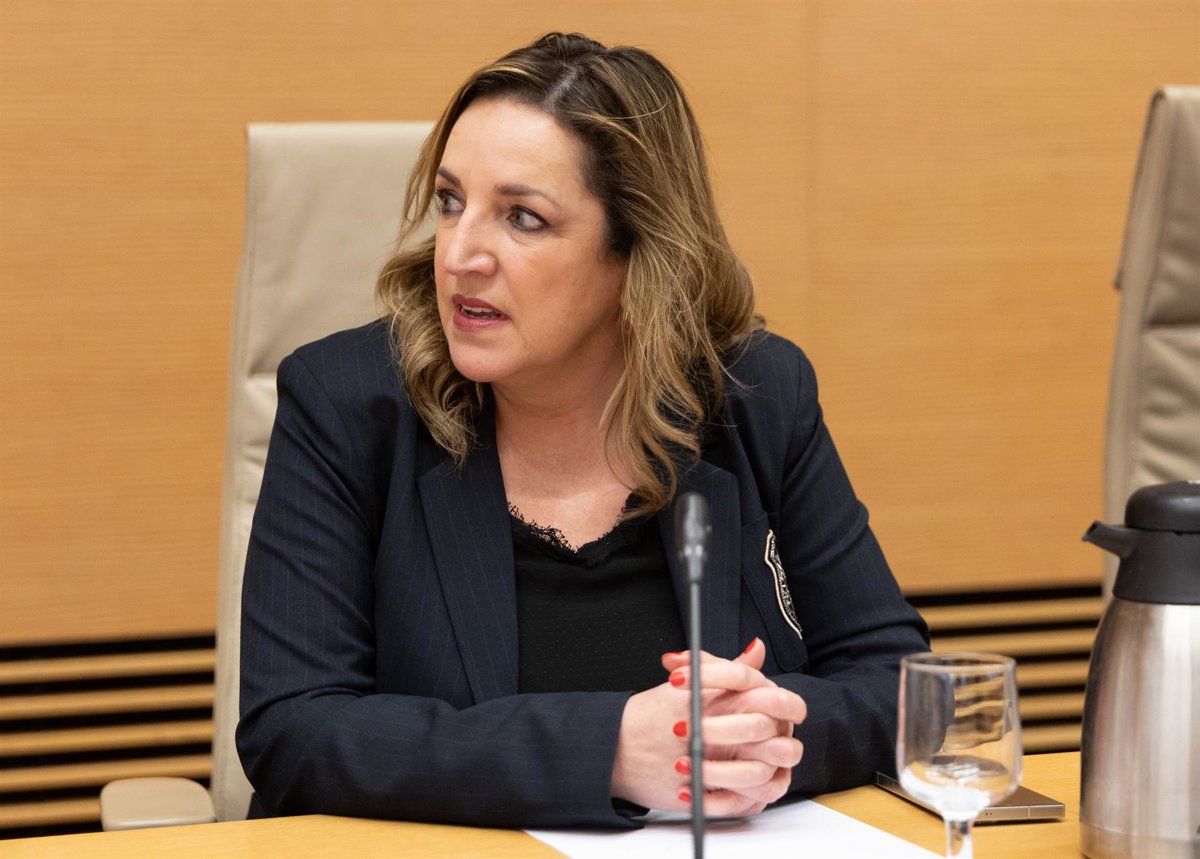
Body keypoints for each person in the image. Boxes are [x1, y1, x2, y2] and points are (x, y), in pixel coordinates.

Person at [236, 31, 930, 830]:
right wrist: (606, 750)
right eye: (451, 202)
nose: (459, 255)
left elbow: (900, 686)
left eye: (522, 218)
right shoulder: (347, 403)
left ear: (635, 255)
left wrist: (763, 732)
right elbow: (295, 728)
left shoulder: (756, 396)